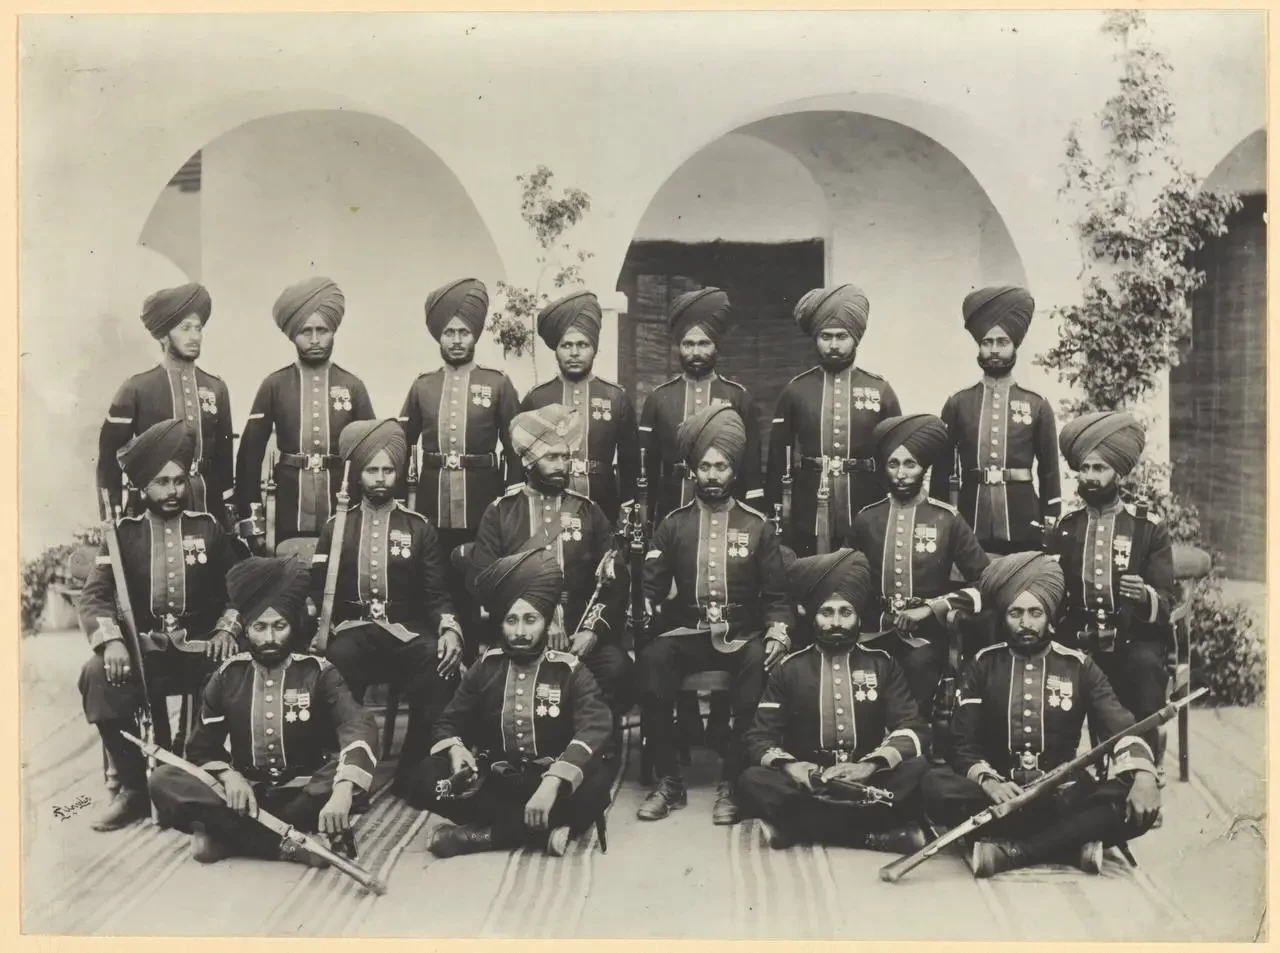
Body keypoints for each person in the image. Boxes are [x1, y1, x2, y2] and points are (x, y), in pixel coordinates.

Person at [920, 552, 1162, 878]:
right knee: (933, 786)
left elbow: (1120, 726)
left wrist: (1144, 776)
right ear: (1003, 616)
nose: (1026, 623)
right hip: (997, 799)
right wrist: (989, 781)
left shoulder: (1079, 666)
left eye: (1035, 613)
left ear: (1050, 616)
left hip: (1061, 798)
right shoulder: (983, 664)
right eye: (1015, 613)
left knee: (1135, 800)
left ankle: (1013, 853)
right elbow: (962, 744)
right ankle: (1068, 844)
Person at [149, 555, 379, 868]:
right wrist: (230, 777)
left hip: (305, 793)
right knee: (163, 780)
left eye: (279, 626)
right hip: (247, 797)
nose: (270, 638)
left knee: (347, 779)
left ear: (293, 625)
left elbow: (358, 724)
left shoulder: (319, 672)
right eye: (260, 627)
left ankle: (228, 837)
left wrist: (341, 791)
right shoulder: (227, 676)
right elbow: (202, 749)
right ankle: (286, 845)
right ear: (246, 629)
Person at [77, 419, 244, 831]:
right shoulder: (122, 534)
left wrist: (227, 628)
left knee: (233, 673)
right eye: (161, 482)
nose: (172, 491)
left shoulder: (207, 528)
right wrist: (111, 642)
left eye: (179, 481)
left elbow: (239, 588)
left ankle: (198, 776)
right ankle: (134, 788)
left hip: (199, 650)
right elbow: (95, 595)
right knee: (96, 675)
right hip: (141, 652)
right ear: (141, 487)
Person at [399, 549, 615, 858]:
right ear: (500, 623)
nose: (521, 632)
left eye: (530, 620)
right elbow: (448, 723)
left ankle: (483, 836)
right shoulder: (486, 667)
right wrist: (457, 750)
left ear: (547, 622)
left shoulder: (569, 670)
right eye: (511, 621)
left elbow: (595, 726)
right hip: (498, 783)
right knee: (425, 779)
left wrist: (554, 781)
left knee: (596, 787)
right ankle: (538, 831)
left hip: (552, 787)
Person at [636, 405, 794, 825]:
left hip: (742, 633)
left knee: (759, 667)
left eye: (720, 467)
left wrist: (778, 631)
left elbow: (777, 596)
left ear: (733, 471)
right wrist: (646, 603)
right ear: (693, 471)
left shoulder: (758, 526)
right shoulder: (672, 525)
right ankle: (668, 781)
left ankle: (733, 783)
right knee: (652, 662)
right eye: (704, 467)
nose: (711, 475)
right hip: (688, 631)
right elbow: (651, 587)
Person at [737, 548, 930, 853]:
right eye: (827, 613)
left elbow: (911, 728)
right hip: (809, 783)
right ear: (812, 616)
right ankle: (867, 835)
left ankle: (801, 828)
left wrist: (870, 766)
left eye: (845, 612)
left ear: (858, 617)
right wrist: (792, 767)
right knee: (752, 780)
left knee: (917, 769)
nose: (836, 622)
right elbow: (759, 736)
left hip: (866, 780)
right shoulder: (790, 668)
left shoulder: (883, 664)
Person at [310, 419, 464, 791]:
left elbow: (437, 593)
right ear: (358, 474)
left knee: (438, 660)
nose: (380, 478)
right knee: (336, 661)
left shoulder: (418, 527)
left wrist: (449, 628)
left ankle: (416, 768)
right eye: (372, 470)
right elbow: (316, 588)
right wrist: (317, 624)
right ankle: (342, 769)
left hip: (405, 631)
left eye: (388, 470)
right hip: (354, 630)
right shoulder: (337, 526)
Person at [467, 404, 633, 719]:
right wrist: (539, 619)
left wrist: (591, 632)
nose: (561, 466)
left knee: (617, 668)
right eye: (551, 458)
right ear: (529, 462)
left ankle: (596, 743)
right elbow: (484, 582)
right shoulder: (501, 512)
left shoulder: (588, 511)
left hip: (578, 632)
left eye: (565, 457)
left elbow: (615, 579)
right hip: (519, 635)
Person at [399, 278, 521, 650]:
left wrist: (512, 500)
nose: (456, 340)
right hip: (433, 504)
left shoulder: (497, 383)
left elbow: (516, 446)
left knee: (477, 582)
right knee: (436, 582)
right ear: (439, 336)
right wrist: (401, 501)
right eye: (449, 333)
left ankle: (480, 662)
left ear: (475, 336)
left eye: (463, 332)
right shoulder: (422, 386)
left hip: (482, 503)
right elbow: (400, 444)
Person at [1049, 411, 1176, 757]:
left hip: (1131, 636)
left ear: (1118, 473)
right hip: (1079, 636)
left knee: (1145, 666)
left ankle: (1143, 763)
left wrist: (1144, 595)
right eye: (1084, 469)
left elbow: (1166, 600)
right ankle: (1058, 767)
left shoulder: (1148, 527)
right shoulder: (1067, 527)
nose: (1090, 477)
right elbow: (1054, 591)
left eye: (1099, 468)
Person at [850, 414, 990, 717]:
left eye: (910, 464)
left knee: (920, 669)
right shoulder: (866, 518)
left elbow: (985, 582)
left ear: (924, 468)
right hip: (873, 631)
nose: (901, 474)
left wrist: (931, 608)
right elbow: (846, 578)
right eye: (893, 464)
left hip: (926, 636)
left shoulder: (947, 518)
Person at [234, 277, 375, 548]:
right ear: (293, 335)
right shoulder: (274, 385)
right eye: (305, 331)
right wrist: (253, 521)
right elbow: (250, 456)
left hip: (342, 506)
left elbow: (370, 454)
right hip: (287, 508)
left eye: (322, 330)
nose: (315, 340)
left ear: (333, 331)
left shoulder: (353, 386)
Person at [766, 284, 902, 558]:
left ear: (855, 339)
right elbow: (777, 455)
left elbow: (896, 452)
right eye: (825, 337)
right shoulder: (796, 390)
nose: (834, 346)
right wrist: (774, 508)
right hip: (808, 508)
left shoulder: (880, 390)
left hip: (865, 503)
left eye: (842, 336)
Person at [930, 287, 1062, 555]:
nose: (994, 350)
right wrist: (941, 520)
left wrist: (1050, 518)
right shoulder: (958, 403)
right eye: (987, 342)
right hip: (970, 520)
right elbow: (942, 471)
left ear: (1014, 346)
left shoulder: (1037, 404)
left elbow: (1049, 471)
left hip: (1023, 521)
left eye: (1002, 342)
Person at [97, 283, 234, 522]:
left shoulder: (216, 388)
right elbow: (109, 459)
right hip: (153, 509)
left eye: (198, 329)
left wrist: (228, 513)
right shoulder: (136, 388)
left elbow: (225, 460)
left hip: (207, 507)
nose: (195, 337)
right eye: (185, 328)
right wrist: (112, 517)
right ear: (163, 336)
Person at [639, 287, 763, 523]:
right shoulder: (658, 398)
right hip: (672, 507)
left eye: (704, 344)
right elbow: (648, 468)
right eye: (688, 344)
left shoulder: (738, 397)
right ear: (679, 347)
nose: (696, 352)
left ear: (716, 346)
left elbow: (751, 467)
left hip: (727, 509)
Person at [519, 291, 639, 524]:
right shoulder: (537, 398)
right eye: (566, 345)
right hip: (547, 506)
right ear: (556, 350)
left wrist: (626, 512)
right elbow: (521, 462)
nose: (574, 353)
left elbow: (630, 464)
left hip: (602, 505)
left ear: (594, 348)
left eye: (582, 345)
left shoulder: (616, 398)